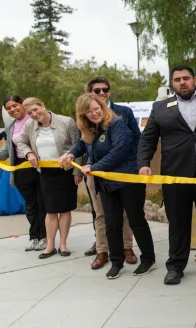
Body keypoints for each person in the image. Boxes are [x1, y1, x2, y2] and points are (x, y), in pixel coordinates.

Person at [138, 64, 196, 285]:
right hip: (175, 174)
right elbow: (148, 138)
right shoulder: (159, 108)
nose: (182, 82)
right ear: (172, 83)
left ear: (194, 80)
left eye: (186, 78)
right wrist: (143, 163)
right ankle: (176, 266)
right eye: (177, 79)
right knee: (177, 222)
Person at [60, 93, 156, 279]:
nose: (94, 113)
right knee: (111, 223)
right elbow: (83, 144)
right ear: (83, 115)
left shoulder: (116, 124)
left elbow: (119, 151)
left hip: (128, 182)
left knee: (136, 220)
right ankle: (116, 262)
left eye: (97, 109)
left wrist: (94, 167)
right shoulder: (90, 129)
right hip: (105, 185)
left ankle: (148, 259)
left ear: (102, 107)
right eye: (89, 112)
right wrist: (71, 154)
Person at [70, 77, 140, 270]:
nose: (102, 93)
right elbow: (82, 143)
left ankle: (127, 248)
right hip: (94, 173)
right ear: (90, 93)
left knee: (124, 214)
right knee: (101, 214)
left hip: (120, 173)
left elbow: (135, 139)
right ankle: (102, 251)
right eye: (97, 90)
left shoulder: (123, 113)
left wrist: (135, 163)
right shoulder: (86, 117)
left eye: (105, 89)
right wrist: (71, 155)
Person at [15, 97, 84, 259]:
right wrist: (29, 153)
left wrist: (77, 172)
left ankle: (63, 245)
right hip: (45, 173)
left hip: (66, 172)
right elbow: (21, 143)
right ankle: (50, 246)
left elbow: (79, 145)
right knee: (50, 210)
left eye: (35, 110)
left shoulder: (66, 122)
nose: (33, 114)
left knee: (65, 209)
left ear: (43, 105)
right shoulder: (29, 126)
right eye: (30, 112)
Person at [0, 95, 46, 252]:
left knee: (41, 203)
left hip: (39, 166)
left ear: (22, 104)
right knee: (30, 205)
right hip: (20, 167)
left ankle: (45, 237)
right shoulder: (10, 125)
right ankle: (34, 237)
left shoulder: (34, 119)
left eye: (15, 106)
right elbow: (8, 147)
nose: (12, 110)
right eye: (9, 108)